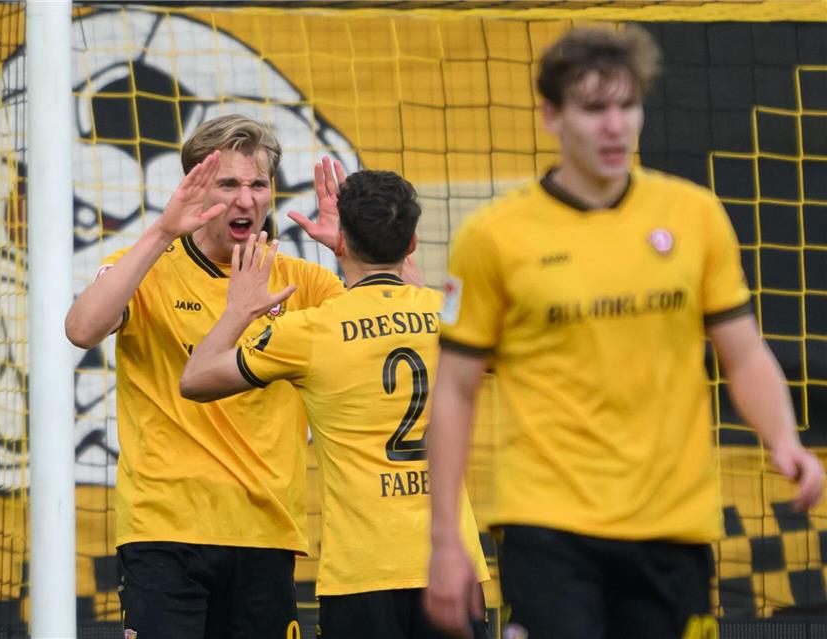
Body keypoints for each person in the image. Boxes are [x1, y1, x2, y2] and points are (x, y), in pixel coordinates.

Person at [423, 26, 825, 639]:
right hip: (548, 520)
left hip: (673, 522)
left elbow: (742, 354)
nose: (615, 125)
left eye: (627, 105)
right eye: (594, 108)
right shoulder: (494, 237)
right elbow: (454, 391)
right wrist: (445, 540)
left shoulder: (694, 216)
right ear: (551, 115)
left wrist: (784, 438)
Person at [65, 114, 351, 638]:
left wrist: (351, 255)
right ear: (197, 190)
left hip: (265, 529)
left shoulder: (303, 282)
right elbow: (82, 330)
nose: (246, 199)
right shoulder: (147, 267)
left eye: (257, 184)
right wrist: (161, 231)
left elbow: (393, 327)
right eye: (228, 184)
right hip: (165, 529)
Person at [179, 170, 489, 639]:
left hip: (363, 572)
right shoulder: (453, 320)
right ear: (411, 245)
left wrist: (239, 308)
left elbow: (196, 379)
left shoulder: (308, 331)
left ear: (341, 238)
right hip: (452, 563)